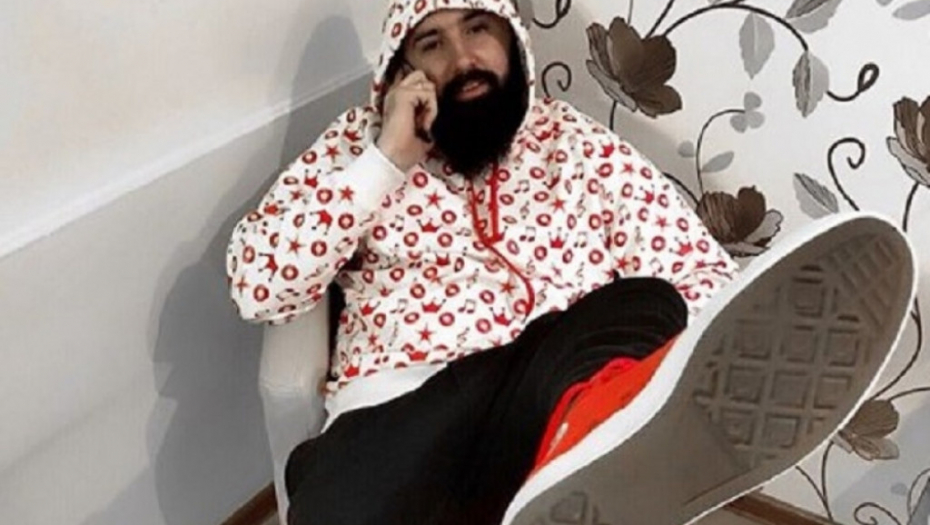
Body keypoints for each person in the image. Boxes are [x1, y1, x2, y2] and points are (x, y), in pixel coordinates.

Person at [225, 1, 916, 524]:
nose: (462, 57)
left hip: (554, 401)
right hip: (405, 408)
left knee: (646, 302)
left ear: (513, 42)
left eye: (478, 29)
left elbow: (689, 262)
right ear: (403, 73)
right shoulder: (359, 144)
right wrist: (386, 163)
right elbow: (258, 285)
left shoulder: (572, 142)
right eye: (432, 43)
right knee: (333, 508)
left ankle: (582, 455)